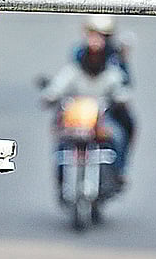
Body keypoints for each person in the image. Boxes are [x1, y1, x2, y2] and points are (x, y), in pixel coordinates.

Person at [43, 31, 135, 184]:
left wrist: (121, 99)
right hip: (75, 123)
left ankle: (118, 172)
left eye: (98, 54)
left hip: (101, 122)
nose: (94, 58)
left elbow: (121, 91)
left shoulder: (111, 74)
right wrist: (50, 96)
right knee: (60, 143)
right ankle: (60, 177)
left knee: (118, 136)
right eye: (91, 54)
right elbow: (56, 88)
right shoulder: (73, 72)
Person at [72, 14, 132, 86]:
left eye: (103, 36)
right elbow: (71, 76)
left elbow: (124, 83)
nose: (97, 40)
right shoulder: (79, 52)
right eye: (93, 34)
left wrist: (123, 57)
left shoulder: (114, 57)